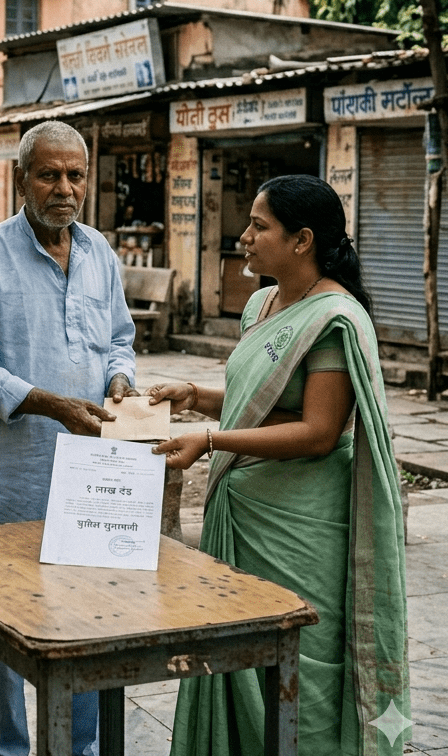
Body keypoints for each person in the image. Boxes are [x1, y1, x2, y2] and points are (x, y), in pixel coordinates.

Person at [149, 175, 409, 756]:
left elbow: (318, 431)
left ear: (302, 240)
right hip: (246, 514)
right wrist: (194, 393)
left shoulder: (334, 318)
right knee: (233, 652)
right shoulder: (265, 304)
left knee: (298, 669)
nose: (243, 236)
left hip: (300, 527)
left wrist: (211, 440)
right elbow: (263, 402)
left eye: (259, 225)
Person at [0, 120, 137, 756]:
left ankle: (75, 748)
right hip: (11, 473)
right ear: (21, 178)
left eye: (75, 175)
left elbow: (119, 337)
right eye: (49, 174)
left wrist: (119, 378)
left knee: (86, 613)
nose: (64, 188)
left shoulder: (100, 254)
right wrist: (50, 404)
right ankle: (2, 749)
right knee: (0, 622)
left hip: (90, 471)